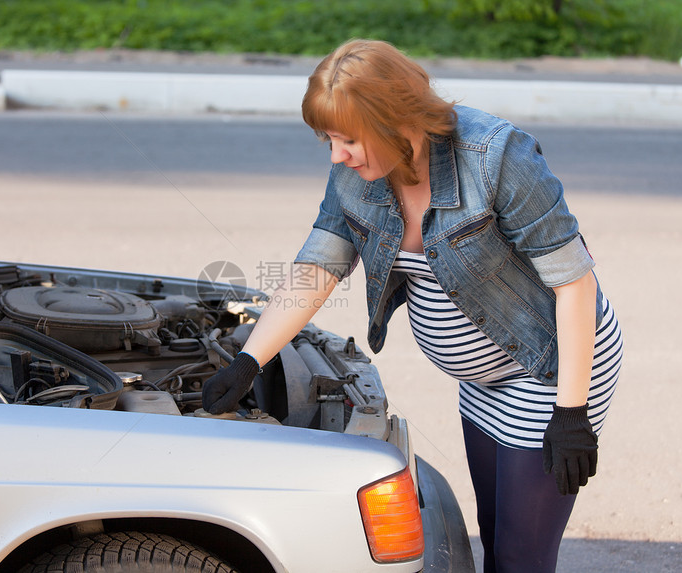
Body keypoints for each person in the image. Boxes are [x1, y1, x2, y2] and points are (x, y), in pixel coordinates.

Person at [202, 39, 623, 573]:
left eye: (348, 139)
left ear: (398, 124)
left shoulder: (496, 158)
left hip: (548, 368)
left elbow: (575, 282)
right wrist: (249, 360)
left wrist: (571, 412)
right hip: (481, 381)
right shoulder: (357, 177)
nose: (336, 155)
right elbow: (318, 268)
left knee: (522, 557)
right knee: (496, 538)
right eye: (329, 139)